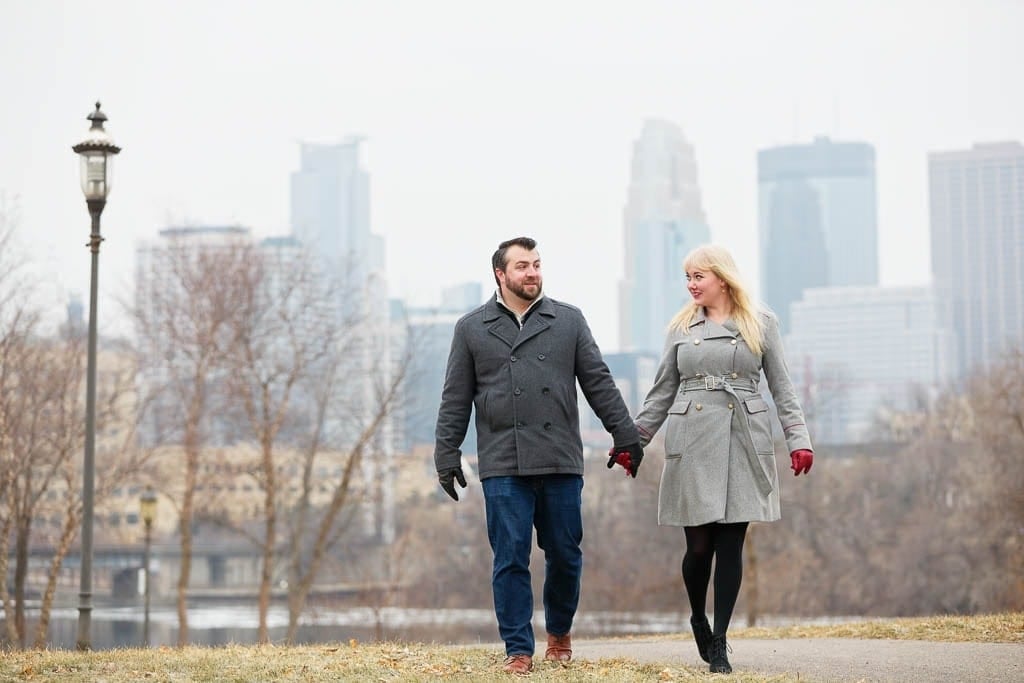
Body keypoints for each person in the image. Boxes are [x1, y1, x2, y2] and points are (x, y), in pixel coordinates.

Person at [434, 236, 644, 675]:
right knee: (510, 556)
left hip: (560, 457)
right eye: (522, 266)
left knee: (565, 553)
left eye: (536, 264)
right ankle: (518, 648)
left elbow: (599, 382)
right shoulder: (471, 328)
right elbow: (455, 398)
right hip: (502, 461)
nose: (532, 273)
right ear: (500, 274)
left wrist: (625, 435)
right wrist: (446, 453)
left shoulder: (567, 321)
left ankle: (560, 633)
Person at [629, 243, 813, 674]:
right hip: (692, 436)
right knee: (698, 546)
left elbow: (782, 387)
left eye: (699, 276)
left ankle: (720, 642)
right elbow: (661, 391)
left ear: (722, 278)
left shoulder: (761, 323)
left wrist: (797, 438)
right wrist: (633, 440)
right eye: (688, 277)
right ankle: (698, 616)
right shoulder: (680, 327)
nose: (691, 285)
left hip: (743, 436)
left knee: (731, 541)